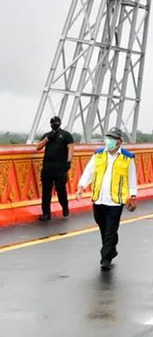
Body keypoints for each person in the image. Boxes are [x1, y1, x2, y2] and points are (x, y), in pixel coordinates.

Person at [76, 128, 137, 270]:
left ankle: (106, 257)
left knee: (111, 228)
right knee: (103, 226)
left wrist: (132, 196)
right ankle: (111, 248)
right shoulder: (98, 154)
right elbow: (89, 172)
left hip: (115, 200)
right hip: (99, 198)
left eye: (113, 138)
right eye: (108, 138)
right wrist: (81, 187)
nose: (109, 141)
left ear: (120, 141)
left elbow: (131, 178)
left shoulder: (127, 158)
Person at [35, 115, 75, 221]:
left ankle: (65, 206)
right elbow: (38, 147)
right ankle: (46, 214)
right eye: (53, 123)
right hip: (47, 168)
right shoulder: (47, 135)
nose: (54, 124)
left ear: (60, 123)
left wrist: (68, 161)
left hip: (60, 168)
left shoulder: (66, 135)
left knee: (60, 189)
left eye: (56, 123)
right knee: (46, 192)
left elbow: (71, 148)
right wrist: (47, 139)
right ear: (50, 124)